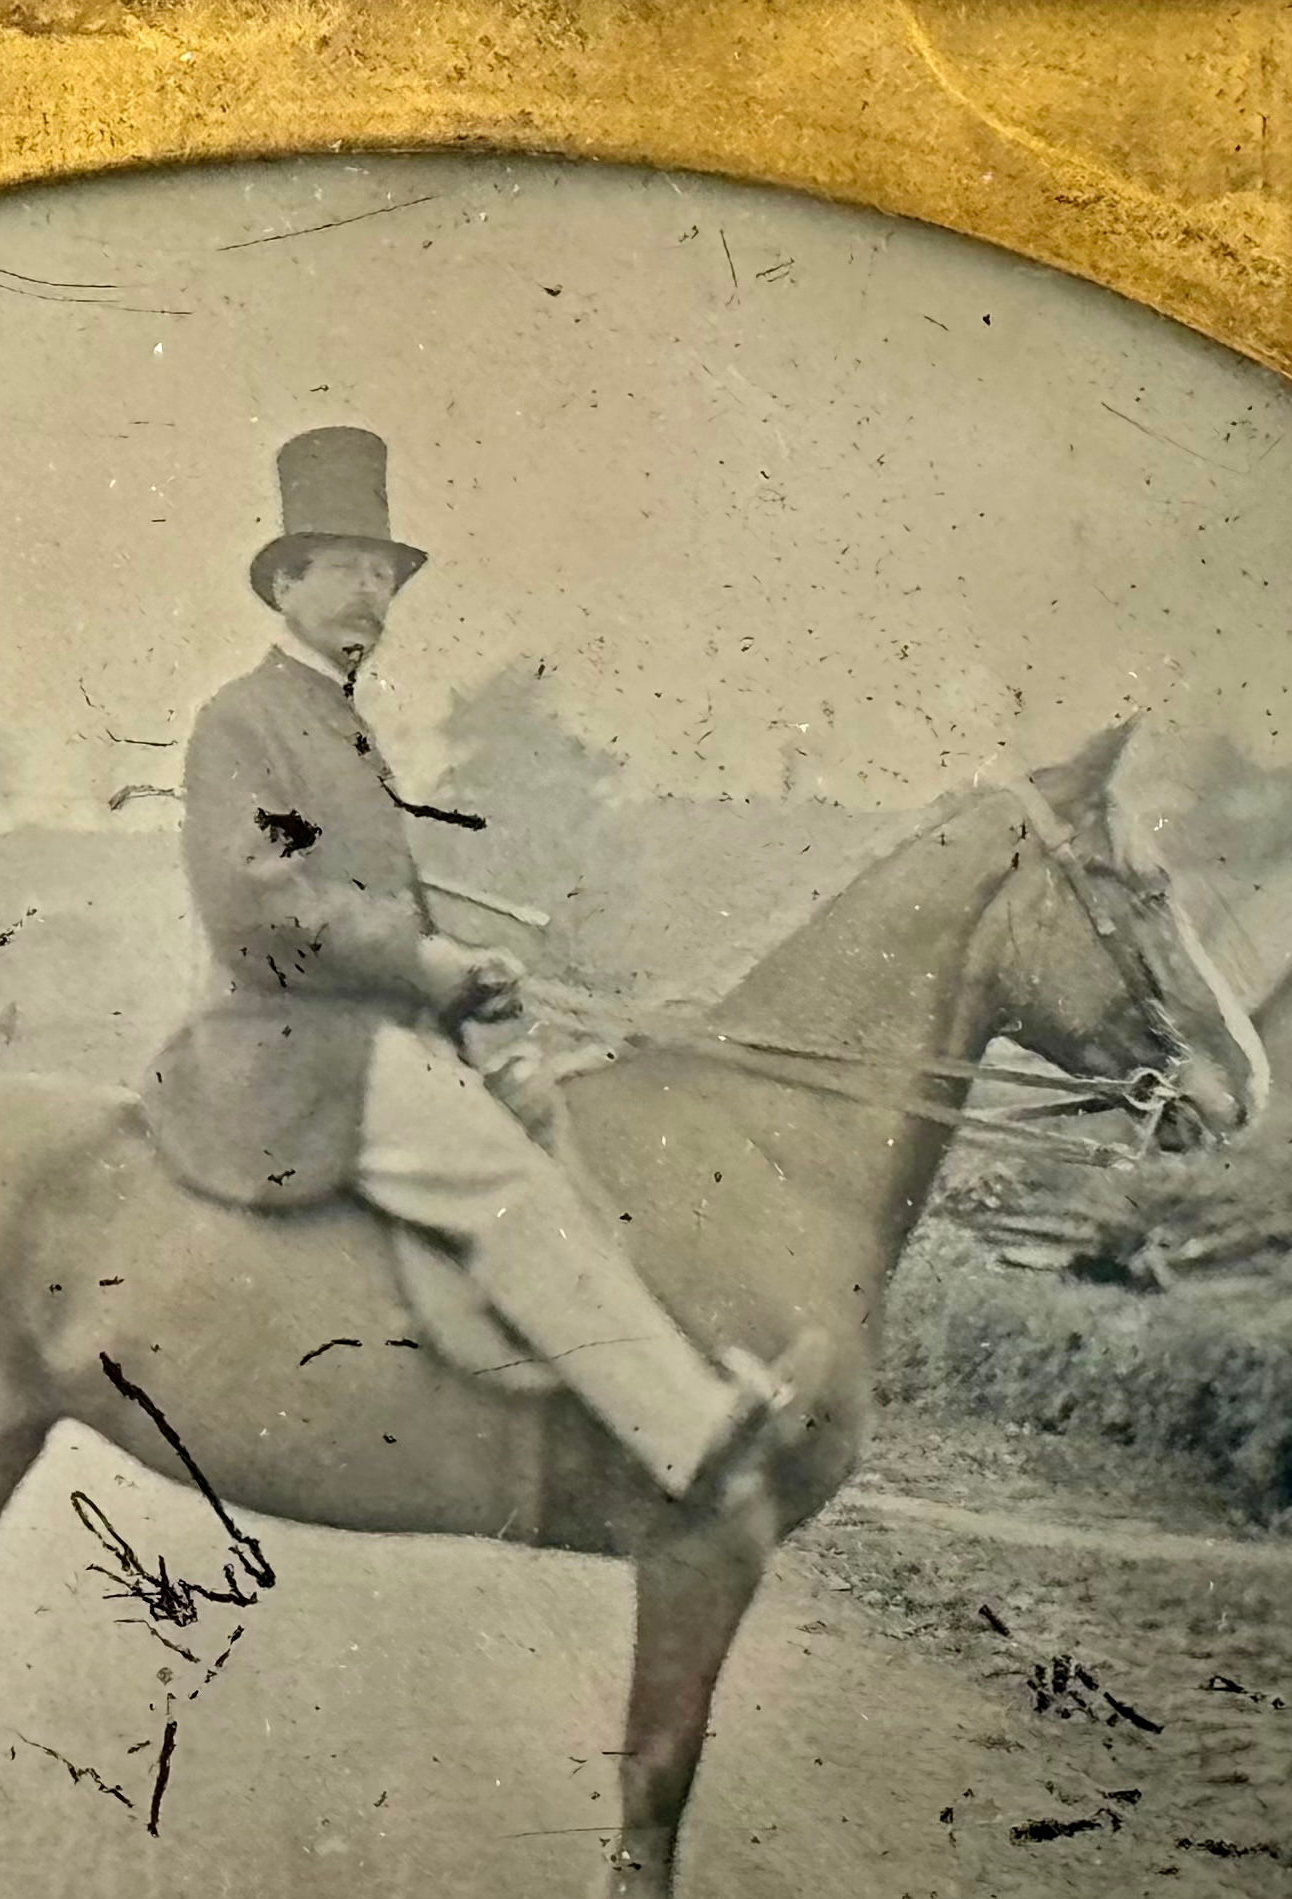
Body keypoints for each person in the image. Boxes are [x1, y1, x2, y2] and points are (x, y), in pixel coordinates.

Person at [140, 426, 805, 1520]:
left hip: (365, 1035)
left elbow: (371, 903)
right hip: (283, 1045)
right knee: (500, 1180)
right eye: (346, 568)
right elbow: (259, 906)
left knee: (548, 1115)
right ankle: (691, 1441)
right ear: (286, 583)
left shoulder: (337, 724)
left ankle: (608, 1401)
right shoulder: (244, 720)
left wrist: (468, 989)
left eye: (384, 574)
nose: (371, 594)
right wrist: (427, 960)